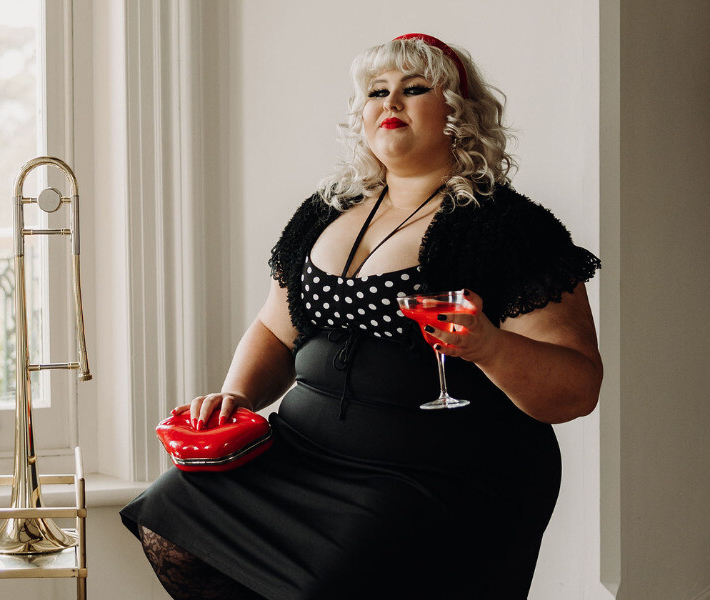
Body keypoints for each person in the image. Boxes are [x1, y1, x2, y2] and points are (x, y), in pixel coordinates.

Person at [119, 34, 602, 600]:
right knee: (170, 515)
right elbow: (277, 328)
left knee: (333, 580)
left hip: (433, 474)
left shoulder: (509, 226)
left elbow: (577, 387)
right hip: (300, 454)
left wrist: (490, 347)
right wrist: (239, 397)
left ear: (459, 114)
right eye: (377, 91)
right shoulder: (325, 211)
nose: (390, 103)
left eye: (414, 88)